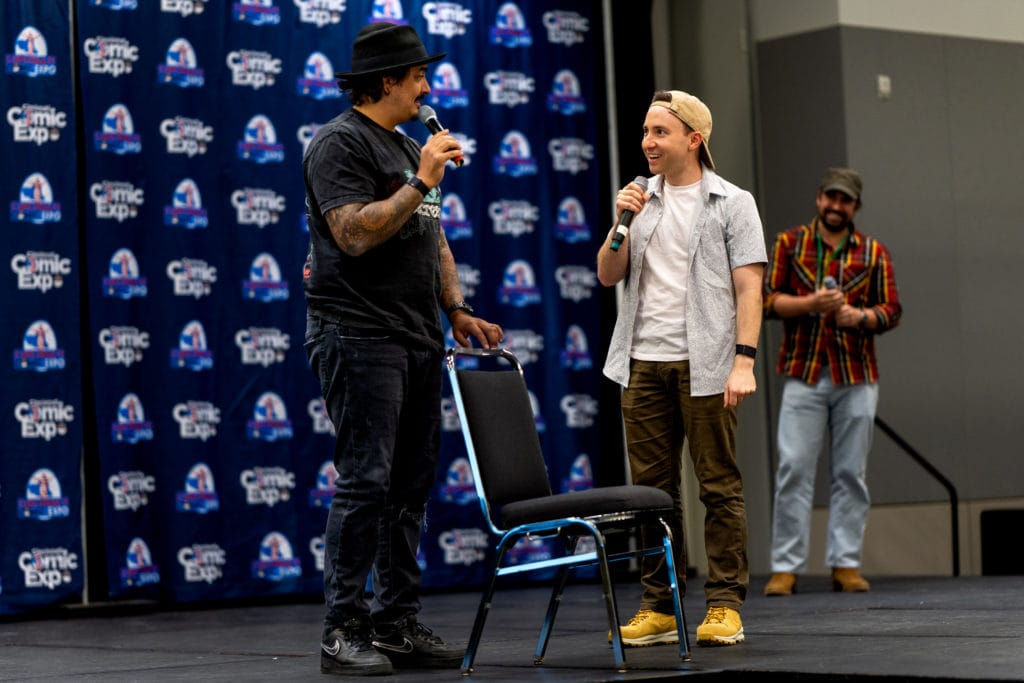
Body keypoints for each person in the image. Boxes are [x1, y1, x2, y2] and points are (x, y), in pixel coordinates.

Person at [302, 22, 504, 676]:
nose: (426, 85)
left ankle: (395, 624)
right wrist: (420, 178)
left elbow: (431, 234)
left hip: (418, 335)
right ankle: (342, 628)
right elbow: (354, 234)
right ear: (386, 80)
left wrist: (457, 308)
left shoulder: (406, 144)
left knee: (409, 486)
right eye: (417, 75)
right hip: (358, 332)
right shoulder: (338, 143)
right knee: (366, 480)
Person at [597, 90, 766, 647]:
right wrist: (621, 223)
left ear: (694, 139)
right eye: (645, 132)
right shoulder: (638, 199)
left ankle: (723, 605)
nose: (647, 142)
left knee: (718, 485)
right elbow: (607, 274)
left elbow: (749, 287)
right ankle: (661, 605)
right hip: (643, 361)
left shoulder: (731, 202)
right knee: (652, 492)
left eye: (659, 132)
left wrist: (743, 361)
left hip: (709, 362)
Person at [762, 167, 902, 597]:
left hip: (857, 376)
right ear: (819, 199)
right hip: (804, 373)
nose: (836, 206)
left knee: (850, 473)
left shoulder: (874, 252)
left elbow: (892, 310)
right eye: (831, 198)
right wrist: (811, 304)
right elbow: (766, 302)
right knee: (793, 469)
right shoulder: (790, 243)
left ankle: (845, 563)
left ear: (855, 207)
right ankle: (786, 567)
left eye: (845, 201)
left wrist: (859, 317)